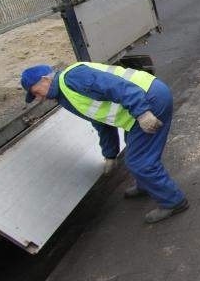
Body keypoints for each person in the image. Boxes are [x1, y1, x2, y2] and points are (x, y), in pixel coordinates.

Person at [20, 62, 189, 224]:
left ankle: (173, 202)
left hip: (149, 100)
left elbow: (117, 87)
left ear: (45, 79)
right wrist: (110, 154)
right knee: (135, 152)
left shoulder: (72, 78)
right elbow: (100, 121)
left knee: (139, 161)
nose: (38, 98)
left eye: (36, 92)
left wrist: (142, 112)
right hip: (145, 99)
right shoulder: (65, 94)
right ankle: (146, 185)